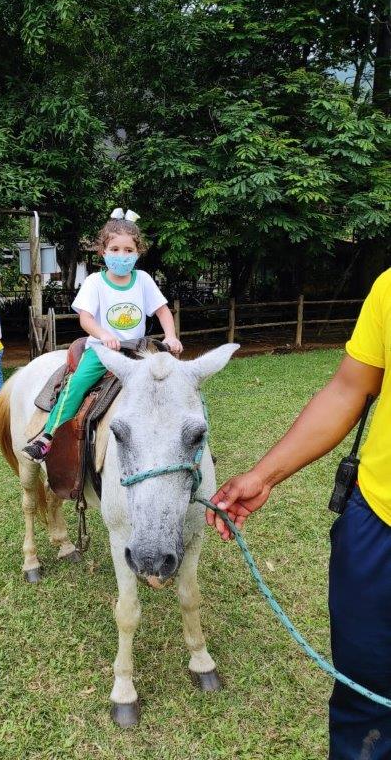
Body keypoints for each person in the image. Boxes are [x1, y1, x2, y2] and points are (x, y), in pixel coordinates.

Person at [207, 268, 391, 760]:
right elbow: (349, 389)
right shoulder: (389, 286)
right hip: (376, 523)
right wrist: (263, 476)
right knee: (363, 699)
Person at [22, 207, 183, 462]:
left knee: (174, 381)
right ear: (103, 251)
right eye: (115, 249)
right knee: (77, 385)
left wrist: (171, 336)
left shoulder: (143, 279)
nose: (122, 255)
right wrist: (104, 334)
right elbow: (85, 318)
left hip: (138, 349)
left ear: (137, 252)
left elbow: (162, 311)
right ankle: (48, 436)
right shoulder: (95, 282)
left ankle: (187, 439)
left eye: (128, 250)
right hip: (103, 351)